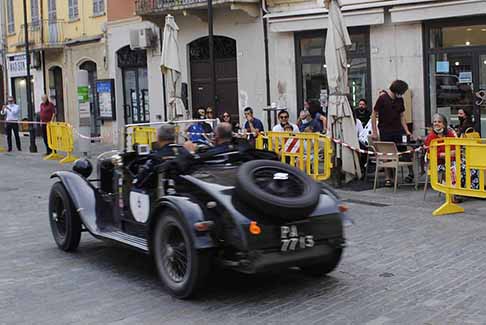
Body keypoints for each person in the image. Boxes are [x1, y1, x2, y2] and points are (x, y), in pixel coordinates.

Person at [371, 80, 414, 187]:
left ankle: (411, 172)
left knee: (404, 151)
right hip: (385, 130)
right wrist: (375, 132)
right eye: (402, 92)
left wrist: (407, 131)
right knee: (387, 153)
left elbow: (402, 116)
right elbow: (374, 114)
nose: (402, 94)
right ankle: (388, 178)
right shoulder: (382, 99)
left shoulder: (400, 100)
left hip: (398, 130)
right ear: (397, 90)